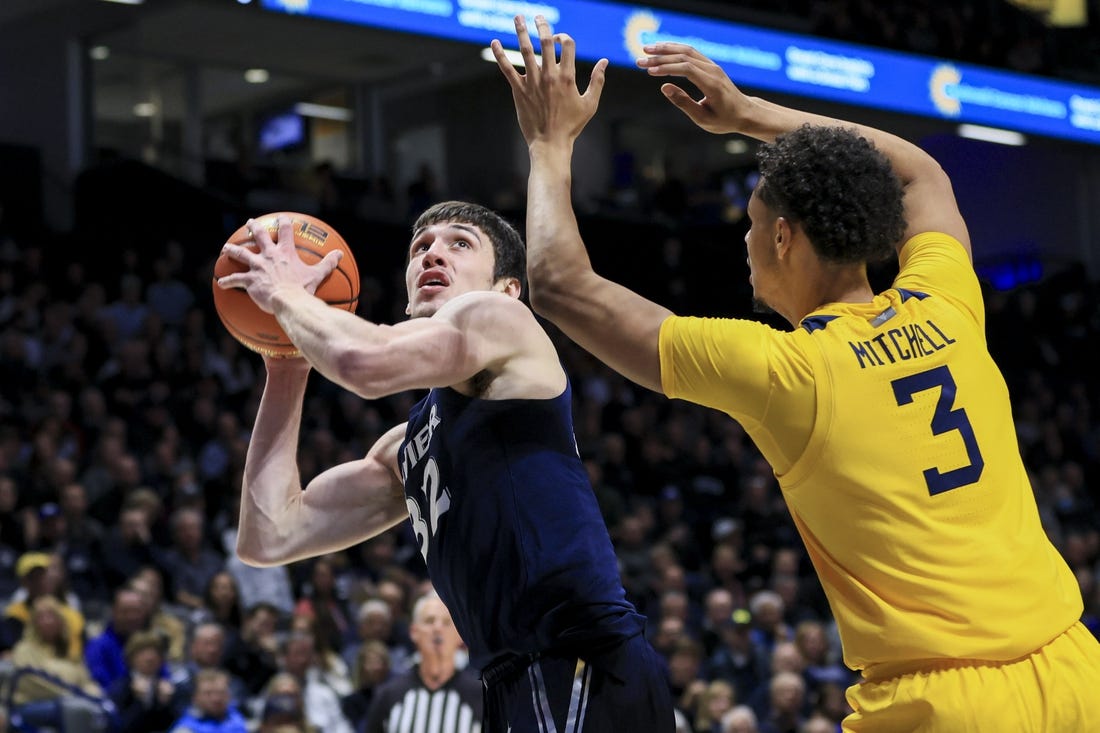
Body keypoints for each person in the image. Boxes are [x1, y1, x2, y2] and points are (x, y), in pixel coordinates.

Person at [493, 14, 1100, 732]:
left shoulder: (790, 369)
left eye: (750, 223)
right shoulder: (947, 301)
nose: (745, 241)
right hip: (1074, 666)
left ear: (783, 236)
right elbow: (920, 172)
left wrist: (549, 142)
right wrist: (747, 114)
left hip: (946, 704)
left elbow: (560, 285)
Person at [217, 199, 675, 732]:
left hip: (582, 662)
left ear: (508, 287)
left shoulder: (504, 319)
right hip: (509, 679)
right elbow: (268, 535)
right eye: (421, 247)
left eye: (461, 243)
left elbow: (364, 362)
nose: (434, 252)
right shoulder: (404, 447)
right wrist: (286, 361)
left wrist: (287, 293)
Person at [361, 591, 482, 733]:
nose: (437, 628)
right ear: (414, 632)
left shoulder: (481, 696)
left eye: (447, 623)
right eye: (429, 621)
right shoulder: (388, 695)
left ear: (460, 635)